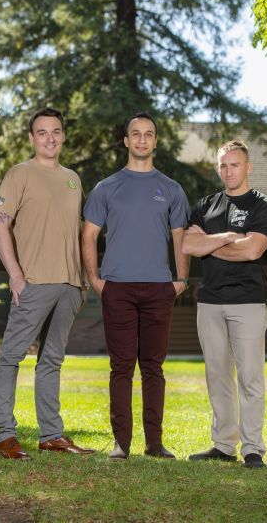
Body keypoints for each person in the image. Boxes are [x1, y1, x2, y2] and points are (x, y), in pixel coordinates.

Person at [82, 112, 190, 460]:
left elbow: (180, 238)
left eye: (148, 134)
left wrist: (181, 280)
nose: (142, 140)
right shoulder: (106, 188)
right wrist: (96, 280)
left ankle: (154, 444)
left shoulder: (171, 189)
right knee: (121, 367)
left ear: (155, 141)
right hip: (118, 288)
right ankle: (121, 443)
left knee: (153, 368)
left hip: (159, 289)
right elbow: (88, 236)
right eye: (135, 134)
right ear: (126, 141)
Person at [0, 108, 93, 460]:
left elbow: (76, 232)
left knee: (52, 361)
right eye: (42, 132)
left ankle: (51, 434)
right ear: (32, 138)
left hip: (69, 285)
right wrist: (16, 275)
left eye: (56, 131)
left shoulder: (73, 178)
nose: (50, 138)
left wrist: (81, 280)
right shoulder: (20, 173)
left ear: (63, 136)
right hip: (33, 282)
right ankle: (5, 435)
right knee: (10, 358)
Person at [182, 140, 267, 468]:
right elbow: (187, 244)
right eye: (223, 165)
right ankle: (223, 445)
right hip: (210, 301)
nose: (228, 171)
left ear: (248, 167)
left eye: (234, 165)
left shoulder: (262, 206)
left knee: (250, 377)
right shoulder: (206, 205)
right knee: (218, 375)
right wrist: (227, 239)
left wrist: (209, 243)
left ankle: (253, 448)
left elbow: (253, 250)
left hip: (250, 300)